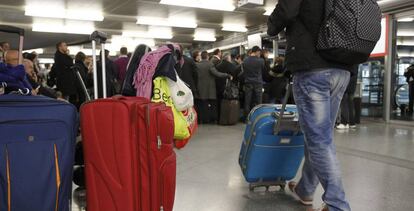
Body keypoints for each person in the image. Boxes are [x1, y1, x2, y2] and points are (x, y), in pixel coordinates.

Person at [268, 1, 352, 211]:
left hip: (313, 66)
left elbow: (286, 11)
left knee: (319, 140)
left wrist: (272, 24)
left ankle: (337, 205)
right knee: (320, 137)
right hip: (342, 68)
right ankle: (305, 189)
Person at [196, 51, 232, 124]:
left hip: (200, 88)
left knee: (202, 105)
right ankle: (212, 119)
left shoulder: (197, 65)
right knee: (212, 105)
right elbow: (217, 74)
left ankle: (201, 119)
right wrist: (227, 75)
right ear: (207, 57)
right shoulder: (210, 64)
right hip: (209, 89)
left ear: (201, 57)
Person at [240, 46, 265, 118]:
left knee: (247, 101)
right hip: (258, 82)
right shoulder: (261, 61)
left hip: (248, 82)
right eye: (259, 52)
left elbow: (243, 71)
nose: (259, 54)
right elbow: (263, 69)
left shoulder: (245, 60)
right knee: (258, 101)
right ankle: (259, 117)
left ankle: (246, 118)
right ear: (257, 51)